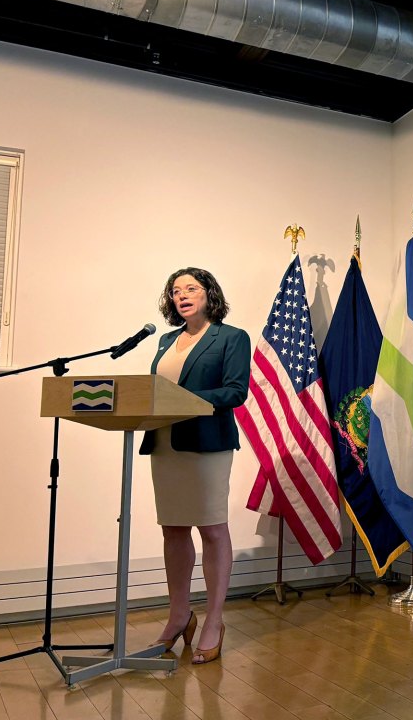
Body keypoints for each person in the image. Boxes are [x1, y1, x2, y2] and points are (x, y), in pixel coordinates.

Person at [139, 267, 250, 665]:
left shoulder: (231, 337)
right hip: (166, 442)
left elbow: (236, 391)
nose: (182, 295)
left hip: (207, 444)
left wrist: (182, 396)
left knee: (212, 528)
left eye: (191, 288)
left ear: (209, 294)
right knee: (172, 528)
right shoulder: (167, 340)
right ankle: (179, 616)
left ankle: (214, 622)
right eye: (175, 291)